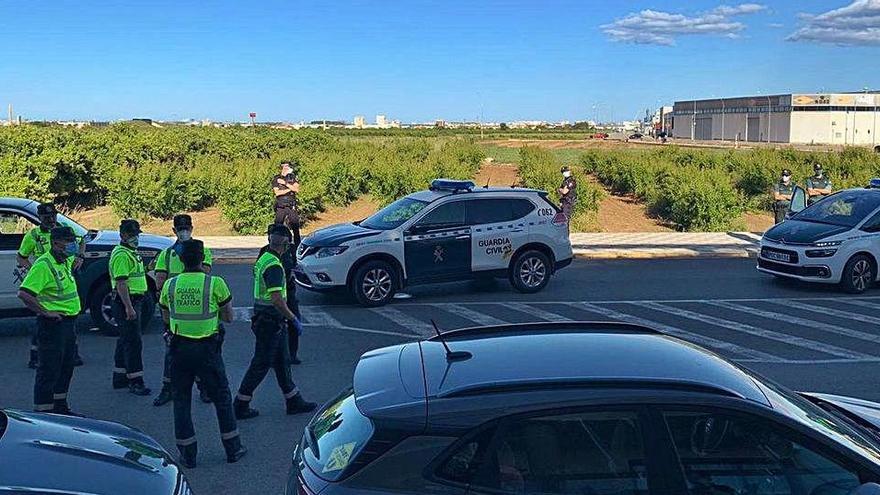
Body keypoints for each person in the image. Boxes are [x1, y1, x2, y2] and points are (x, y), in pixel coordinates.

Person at [158, 239, 246, 467]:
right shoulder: (215, 283)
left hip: (179, 349)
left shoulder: (170, 285)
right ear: (202, 259)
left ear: (181, 259)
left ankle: (188, 455)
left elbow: (166, 318)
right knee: (222, 398)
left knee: (181, 401)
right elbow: (228, 316)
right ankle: (233, 448)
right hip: (207, 350)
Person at [234, 225, 316, 420]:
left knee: (281, 361)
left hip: (267, 320)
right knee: (261, 364)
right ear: (286, 244)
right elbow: (277, 299)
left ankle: (293, 400)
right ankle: (240, 404)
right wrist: (292, 318)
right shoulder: (274, 266)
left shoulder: (264, 258)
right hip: (270, 320)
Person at [16, 227, 82, 415]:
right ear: (55, 243)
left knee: (66, 366)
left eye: (73, 241)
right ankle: (44, 414)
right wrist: (46, 312)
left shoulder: (65, 260)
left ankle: (60, 407)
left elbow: (83, 243)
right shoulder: (44, 265)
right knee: (49, 370)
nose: (72, 245)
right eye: (68, 242)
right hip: (53, 325)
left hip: (69, 324)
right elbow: (24, 293)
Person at [153, 214, 215, 407]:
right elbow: (160, 279)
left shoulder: (203, 249)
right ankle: (167, 389)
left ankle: (203, 388)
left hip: (197, 312)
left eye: (186, 228)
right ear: (174, 231)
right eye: (180, 229)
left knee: (199, 353)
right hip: (174, 313)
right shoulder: (167, 254)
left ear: (192, 228)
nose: (184, 232)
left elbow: (204, 273)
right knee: (171, 352)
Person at [17, 202, 84, 369]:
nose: (51, 219)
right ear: (40, 218)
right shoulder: (33, 235)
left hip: (62, 273)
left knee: (69, 317)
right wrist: (34, 271)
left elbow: (82, 239)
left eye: (53, 215)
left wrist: (80, 256)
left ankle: (72, 354)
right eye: (47, 217)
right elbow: (21, 257)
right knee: (44, 319)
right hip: (45, 279)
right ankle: (36, 357)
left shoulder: (64, 228)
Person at [110, 219, 151, 396]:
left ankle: (120, 376)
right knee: (133, 342)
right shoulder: (122, 255)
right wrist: (128, 307)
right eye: (131, 234)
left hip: (132, 300)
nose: (135, 237)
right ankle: (136, 381)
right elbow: (121, 283)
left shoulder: (130, 252)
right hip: (127, 301)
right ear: (122, 235)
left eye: (136, 234)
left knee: (125, 339)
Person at [258, 226, 303, 365]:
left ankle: (292, 354)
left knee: (293, 324)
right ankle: (274, 357)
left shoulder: (289, 249)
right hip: (274, 295)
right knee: (277, 329)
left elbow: (296, 262)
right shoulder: (266, 252)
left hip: (288, 291)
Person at [272, 161, 302, 248]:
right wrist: (290, 189)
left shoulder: (292, 178)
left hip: (291, 205)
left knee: (296, 228)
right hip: (281, 206)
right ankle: (275, 245)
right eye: (284, 167)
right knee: (277, 227)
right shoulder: (277, 178)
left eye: (287, 167)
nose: (286, 168)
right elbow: (277, 193)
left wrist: (285, 184)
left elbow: (297, 189)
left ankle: (297, 247)